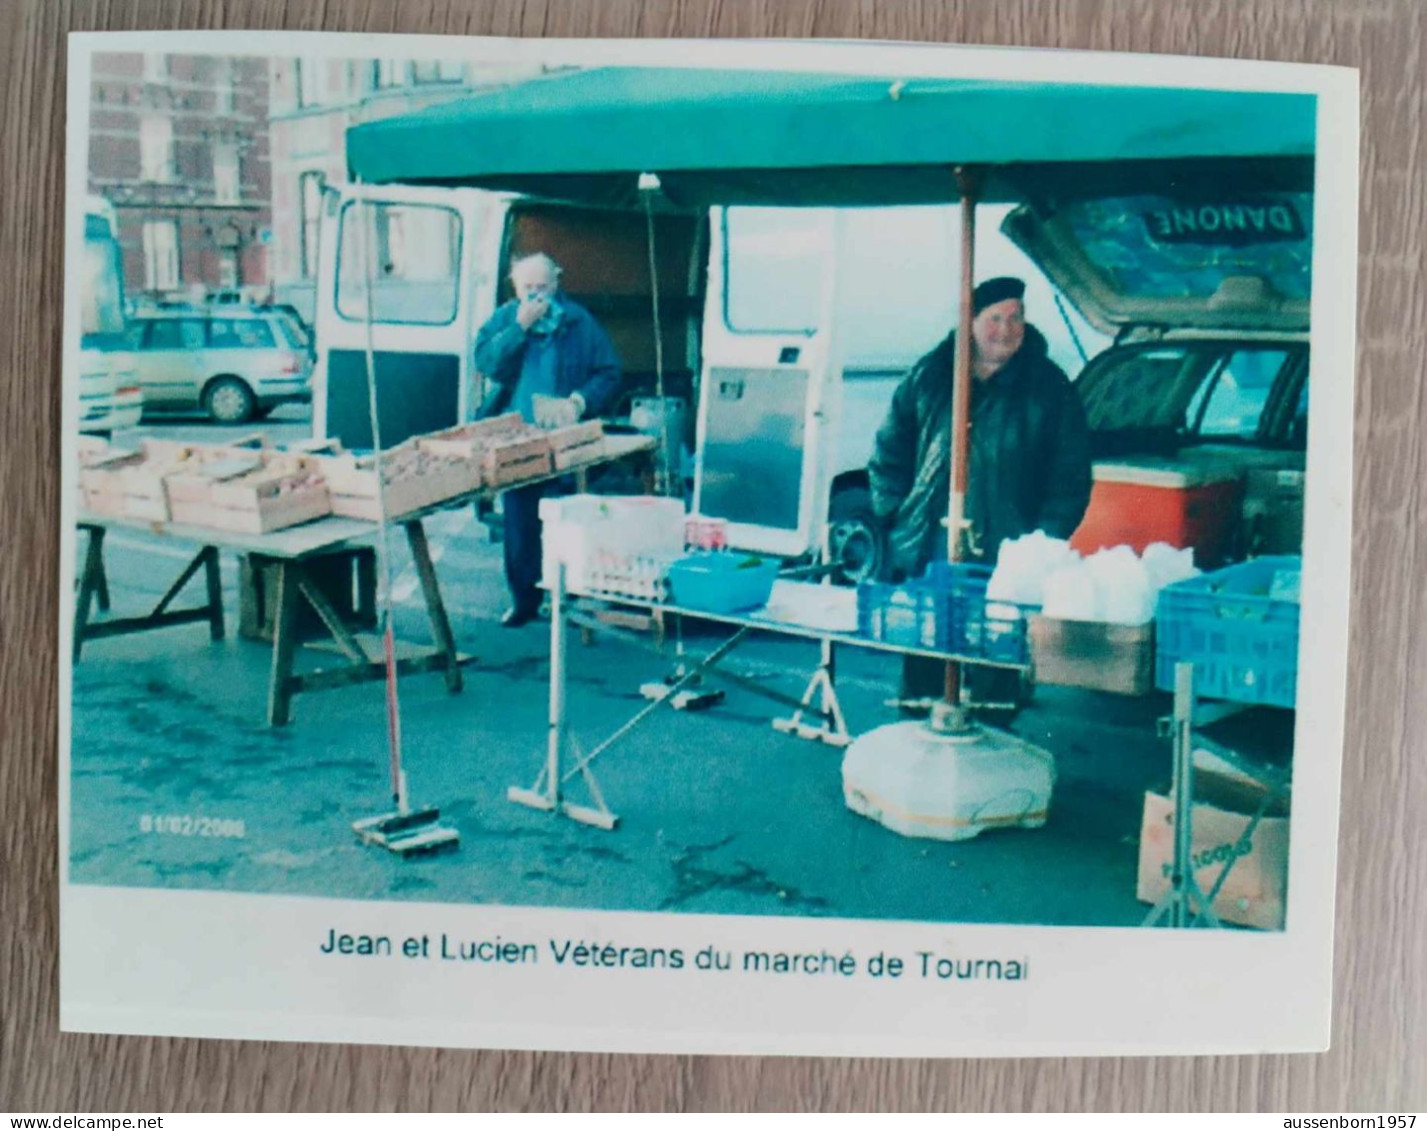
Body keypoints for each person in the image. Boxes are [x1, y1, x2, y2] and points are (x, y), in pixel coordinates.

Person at [867, 276, 1093, 710]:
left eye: (1016, 318)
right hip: (931, 541)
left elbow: (1070, 475)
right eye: (994, 318)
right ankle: (922, 725)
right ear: (970, 322)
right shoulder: (931, 375)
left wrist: (1043, 541)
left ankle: (995, 737)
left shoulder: (1048, 386)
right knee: (928, 641)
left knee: (997, 652)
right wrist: (895, 513)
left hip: (1008, 547)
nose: (1006, 329)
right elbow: (889, 450)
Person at [474, 253, 622, 627]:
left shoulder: (579, 322)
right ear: (516, 287)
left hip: (566, 439)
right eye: (528, 288)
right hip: (519, 437)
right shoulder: (507, 317)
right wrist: (518, 329)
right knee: (519, 523)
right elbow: (486, 362)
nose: (536, 296)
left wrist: (579, 401)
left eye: (543, 287)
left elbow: (609, 371)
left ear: (556, 284)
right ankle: (524, 600)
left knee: (565, 517)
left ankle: (565, 596)